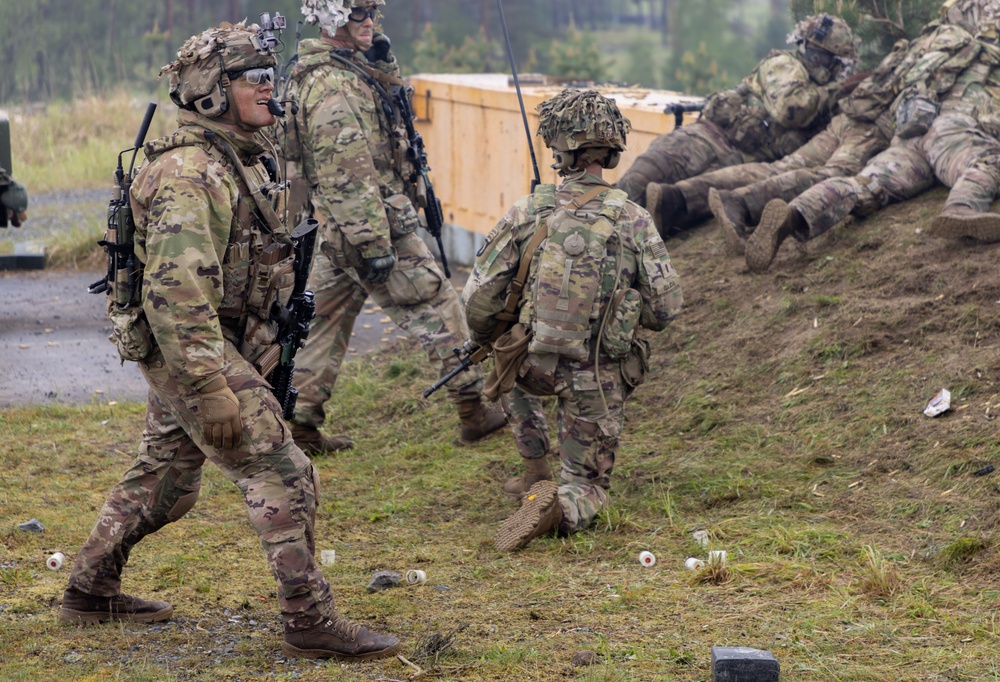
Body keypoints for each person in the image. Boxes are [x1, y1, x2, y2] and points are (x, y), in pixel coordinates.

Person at [58, 22, 400, 662]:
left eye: (273, 78)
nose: (270, 92)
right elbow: (176, 293)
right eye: (255, 80)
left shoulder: (244, 155)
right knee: (282, 467)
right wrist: (213, 387)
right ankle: (309, 619)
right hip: (193, 347)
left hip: (216, 343)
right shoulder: (192, 174)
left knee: (167, 479)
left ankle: (90, 588)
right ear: (213, 93)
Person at [462, 89, 684, 552]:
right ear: (614, 147)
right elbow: (666, 308)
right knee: (589, 482)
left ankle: (535, 468)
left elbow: (479, 300)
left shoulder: (527, 211)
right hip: (596, 379)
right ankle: (563, 503)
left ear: (558, 149)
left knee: (504, 357)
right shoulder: (634, 219)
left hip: (530, 369)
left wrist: (494, 337)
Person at [283, 0, 506, 454]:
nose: (370, 22)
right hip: (371, 225)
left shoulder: (342, 70)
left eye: (372, 13)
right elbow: (346, 168)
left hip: (341, 229)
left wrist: (383, 63)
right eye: (359, 14)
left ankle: (301, 425)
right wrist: (372, 241)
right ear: (332, 22)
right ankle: (474, 409)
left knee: (322, 321)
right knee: (436, 303)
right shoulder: (329, 84)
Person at [743, 0, 1000, 273]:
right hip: (953, 134)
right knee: (987, 161)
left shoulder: (938, 46)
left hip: (911, 132)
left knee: (866, 185)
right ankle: (961, 208)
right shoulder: (989, 57)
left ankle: (794, 213)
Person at [617, 14, 857, 229]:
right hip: (707, 139)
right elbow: (791, 108)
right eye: (830, 59)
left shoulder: (827, 100)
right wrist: (840, 90)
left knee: (664, 211)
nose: (834, 68)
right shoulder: (785, 66)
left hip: (739, 162)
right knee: (636, 183)